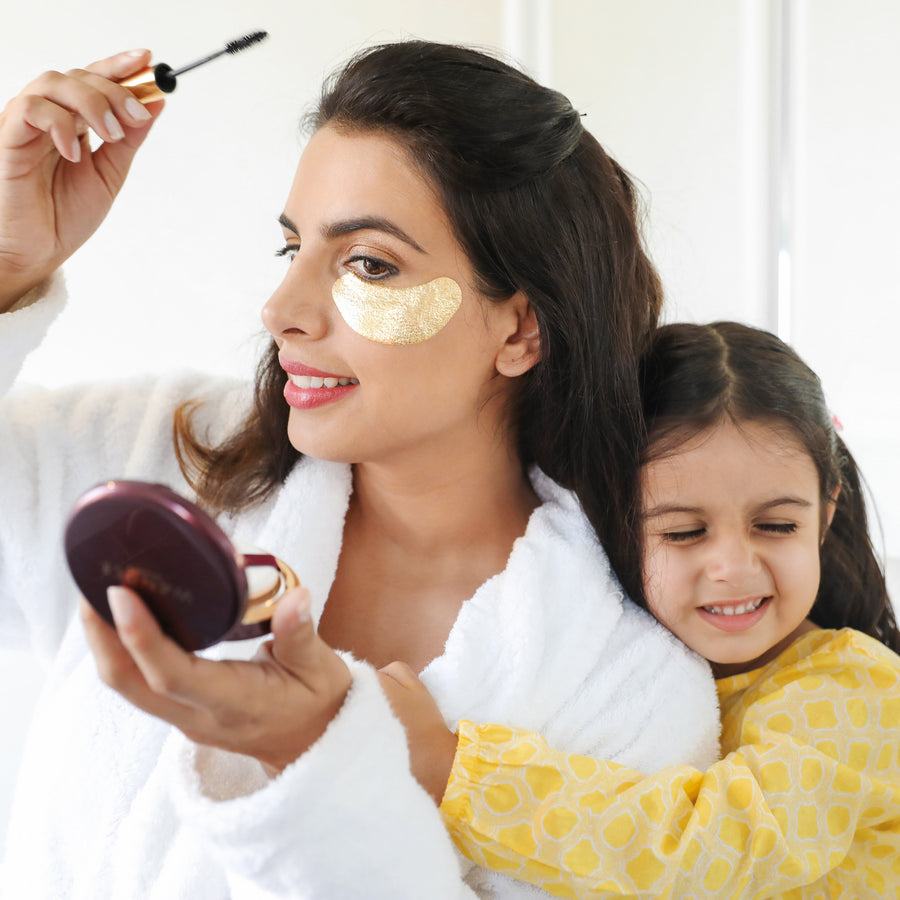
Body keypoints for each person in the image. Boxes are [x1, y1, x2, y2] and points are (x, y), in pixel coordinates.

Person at [0, 42, 720, 898]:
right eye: (291, 248)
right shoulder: (162, 458)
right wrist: (8, 265)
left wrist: (311, 758)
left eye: (367, 264)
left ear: (521, 330)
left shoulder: (623, 688)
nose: (282, 312)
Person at [382, 320, 900, 898]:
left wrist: (454, 771)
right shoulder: (625, 657)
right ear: (616, 529)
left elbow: (705, 856)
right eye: (683, 532)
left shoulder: (857, 689)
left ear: (825, 514)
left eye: (777, 526)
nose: (732, 565)